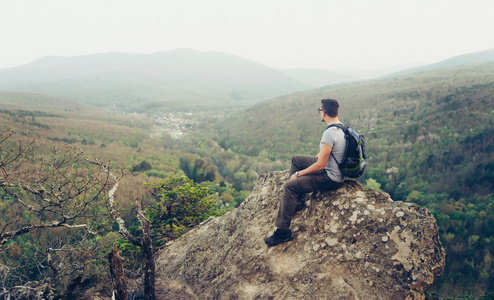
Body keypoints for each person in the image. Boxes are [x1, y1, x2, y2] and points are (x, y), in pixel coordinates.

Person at [264, 98, 346, 247]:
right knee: (297, 160)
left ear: (324, 113)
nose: (320, 113)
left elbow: (320, 165)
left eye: (320, 110)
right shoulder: (342, 129)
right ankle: (298, 202)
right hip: (336, 170)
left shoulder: (329, 133)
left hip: (329, 178)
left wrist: (298, 175)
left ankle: (282, 233)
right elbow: (325, 156)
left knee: (290, 186)